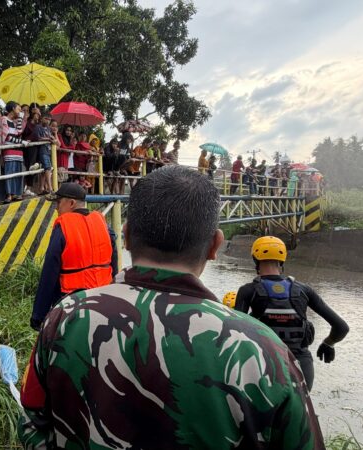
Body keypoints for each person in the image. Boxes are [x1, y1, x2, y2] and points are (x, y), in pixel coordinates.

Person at [19, 166, 325, 449]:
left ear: (124, 236)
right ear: (215, 245)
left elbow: (33, 422)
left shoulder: (63, 317)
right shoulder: (263, 349)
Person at [235, 236, 349, 391]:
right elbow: (341, 327)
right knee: (300, 413)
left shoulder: (248, 291)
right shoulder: (304, 290)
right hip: (301, 365)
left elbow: (235, 331)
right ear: (282, 260)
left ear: (255, 259)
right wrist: (329, 343)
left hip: (263, 363)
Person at [29, 182, 117, 330]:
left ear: (71, 203)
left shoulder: (63, 227)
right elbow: (113, 262)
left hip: (72, 303)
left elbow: (50, 272)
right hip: (104, 299)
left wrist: (39, 315)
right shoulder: (102, 223)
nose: (56, 208)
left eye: (58, 202)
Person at [0, 101, 27, 202]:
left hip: (17, 151)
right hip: (9, 150)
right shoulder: (3, 119)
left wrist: (20, 118)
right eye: (19, 109)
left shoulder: (14, 121)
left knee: (17, 172)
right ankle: (9, 194)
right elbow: (7, 137)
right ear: (13, 108)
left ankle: (16, 193)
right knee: (9, 173)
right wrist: (21, 141)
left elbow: (19, 132)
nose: (20, 111)